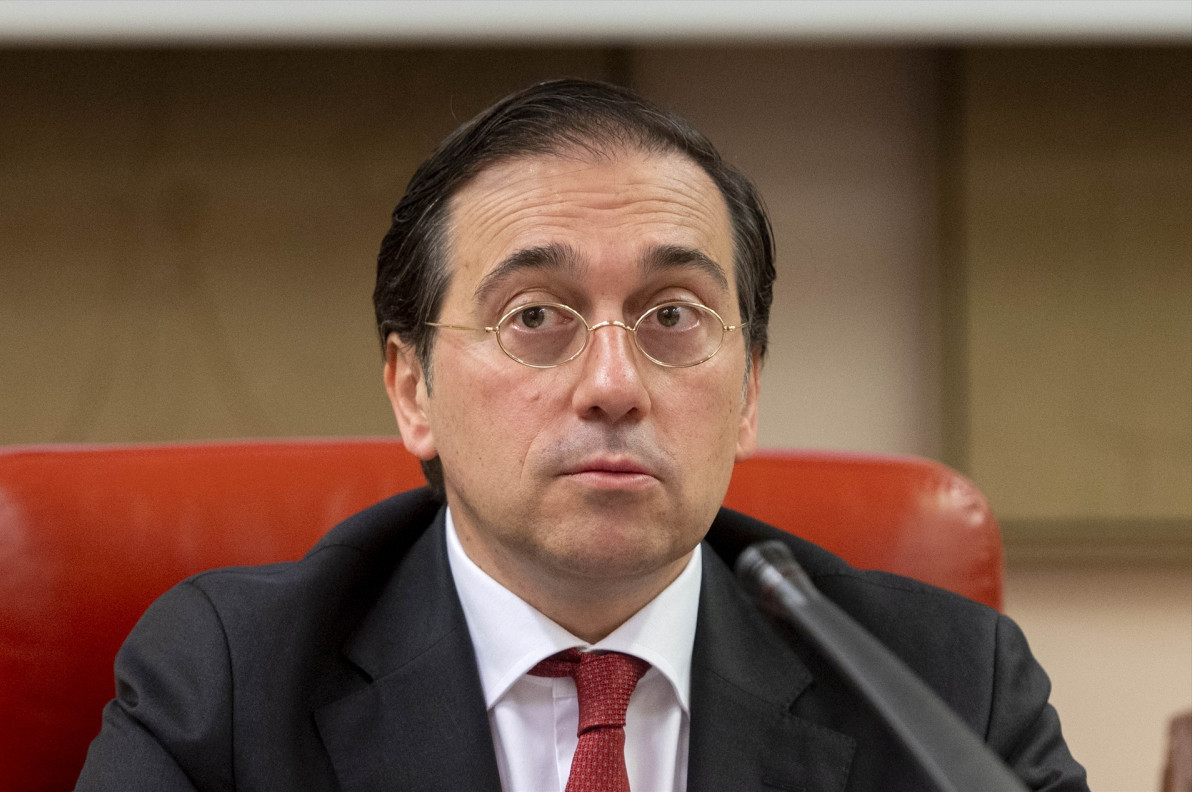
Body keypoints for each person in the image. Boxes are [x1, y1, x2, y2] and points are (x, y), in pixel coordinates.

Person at [76, 79, 1088, 791]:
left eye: (673, 316)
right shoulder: (231, 682)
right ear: (412, 389)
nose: (613, 385)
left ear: (749, 390)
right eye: (534, 317)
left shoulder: (949, 690)